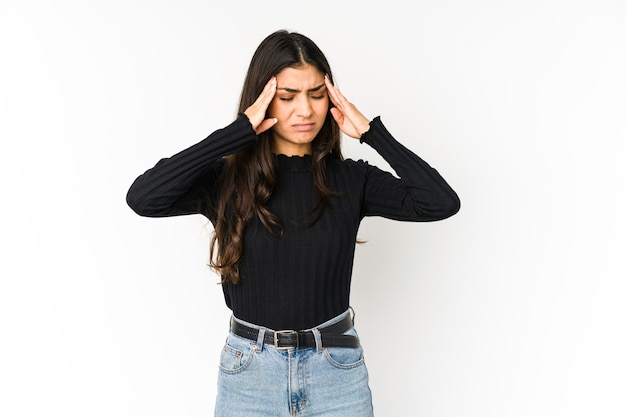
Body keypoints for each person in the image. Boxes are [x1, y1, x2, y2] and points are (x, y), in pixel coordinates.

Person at [126, 29, 460, 417]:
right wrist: (236, 134)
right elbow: (144, 198)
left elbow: (440, 202)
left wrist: (372, 133)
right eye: (287, 97)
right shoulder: (225, 182)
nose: (305, 110)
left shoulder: (353, 180)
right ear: (263, 100)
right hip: (249, 376)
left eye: (317, 94)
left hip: (337, 374)